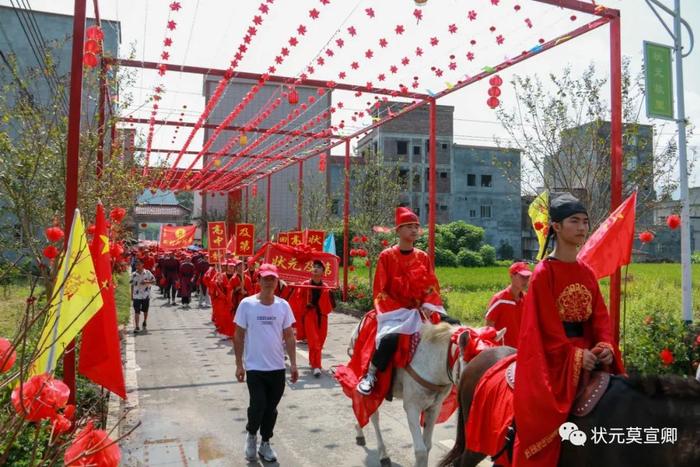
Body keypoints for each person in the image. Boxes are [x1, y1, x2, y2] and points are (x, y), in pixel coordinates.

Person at [512, 192, 624, 466]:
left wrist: (605, 346)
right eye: (575, 221)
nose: (583, 227)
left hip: (588, 350)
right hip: (555, 357)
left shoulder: (586, 272)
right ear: (557, 227)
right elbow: (547, 328)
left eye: (585, 221)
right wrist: (574, 356)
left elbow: (600, 318)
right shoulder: (543, 274)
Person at [234, 263, 298, 463]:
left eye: (272, 278)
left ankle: (265, 443)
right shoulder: (247, 304)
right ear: (259, 280)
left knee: (271, 409)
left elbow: (289, 336)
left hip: (277, 367)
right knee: (258, 405)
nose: (269, 282)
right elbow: (238, 335)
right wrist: (238, 364)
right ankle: (252, 435)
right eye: (265, 278)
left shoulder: (283, 306)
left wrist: (294, 364)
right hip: (255, 367)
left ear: (277, 281)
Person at [290, 260, 336, 377]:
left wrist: (331, 294)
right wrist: (305, 305)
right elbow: (298, 299)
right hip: (310, 315)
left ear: (323, 272)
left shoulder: (326, 287)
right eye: (314, 266)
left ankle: (313, 361)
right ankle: (317, 366)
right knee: (314, 341)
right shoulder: (305, 284)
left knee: (320, 342)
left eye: (319, 267)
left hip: (322, 316)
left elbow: (331, 306)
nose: (315, 268)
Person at [484, 261, 532, 348]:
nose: (525, 280)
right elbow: (488, 326)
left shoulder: (526, 299)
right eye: (522, 277)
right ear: (512, 276)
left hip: (521, 350)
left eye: (527, 277)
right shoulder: (499, 299)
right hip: (502, 352)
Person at [130, 259, 155, 333]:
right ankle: (137, 326)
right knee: (136, 311)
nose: (137, 266)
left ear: (142, 264)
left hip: (146, 295)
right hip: (136, 296)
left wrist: (147, 282)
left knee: (145, 310)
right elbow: (131, 285)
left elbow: (154, 281)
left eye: (139, 264)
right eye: (136, 264)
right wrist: (131, 295)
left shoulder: (147, 273)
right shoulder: (133, 274)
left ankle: (144, 321)